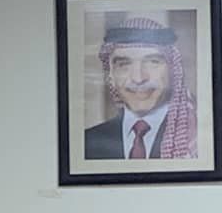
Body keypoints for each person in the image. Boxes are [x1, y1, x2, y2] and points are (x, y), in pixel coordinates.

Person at [82, 16, 199, 160]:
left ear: (173, 70)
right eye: (124, 64)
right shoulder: (87, 143)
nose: (138, 78)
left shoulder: (196, 140)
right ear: (111, 75)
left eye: (153, 62)